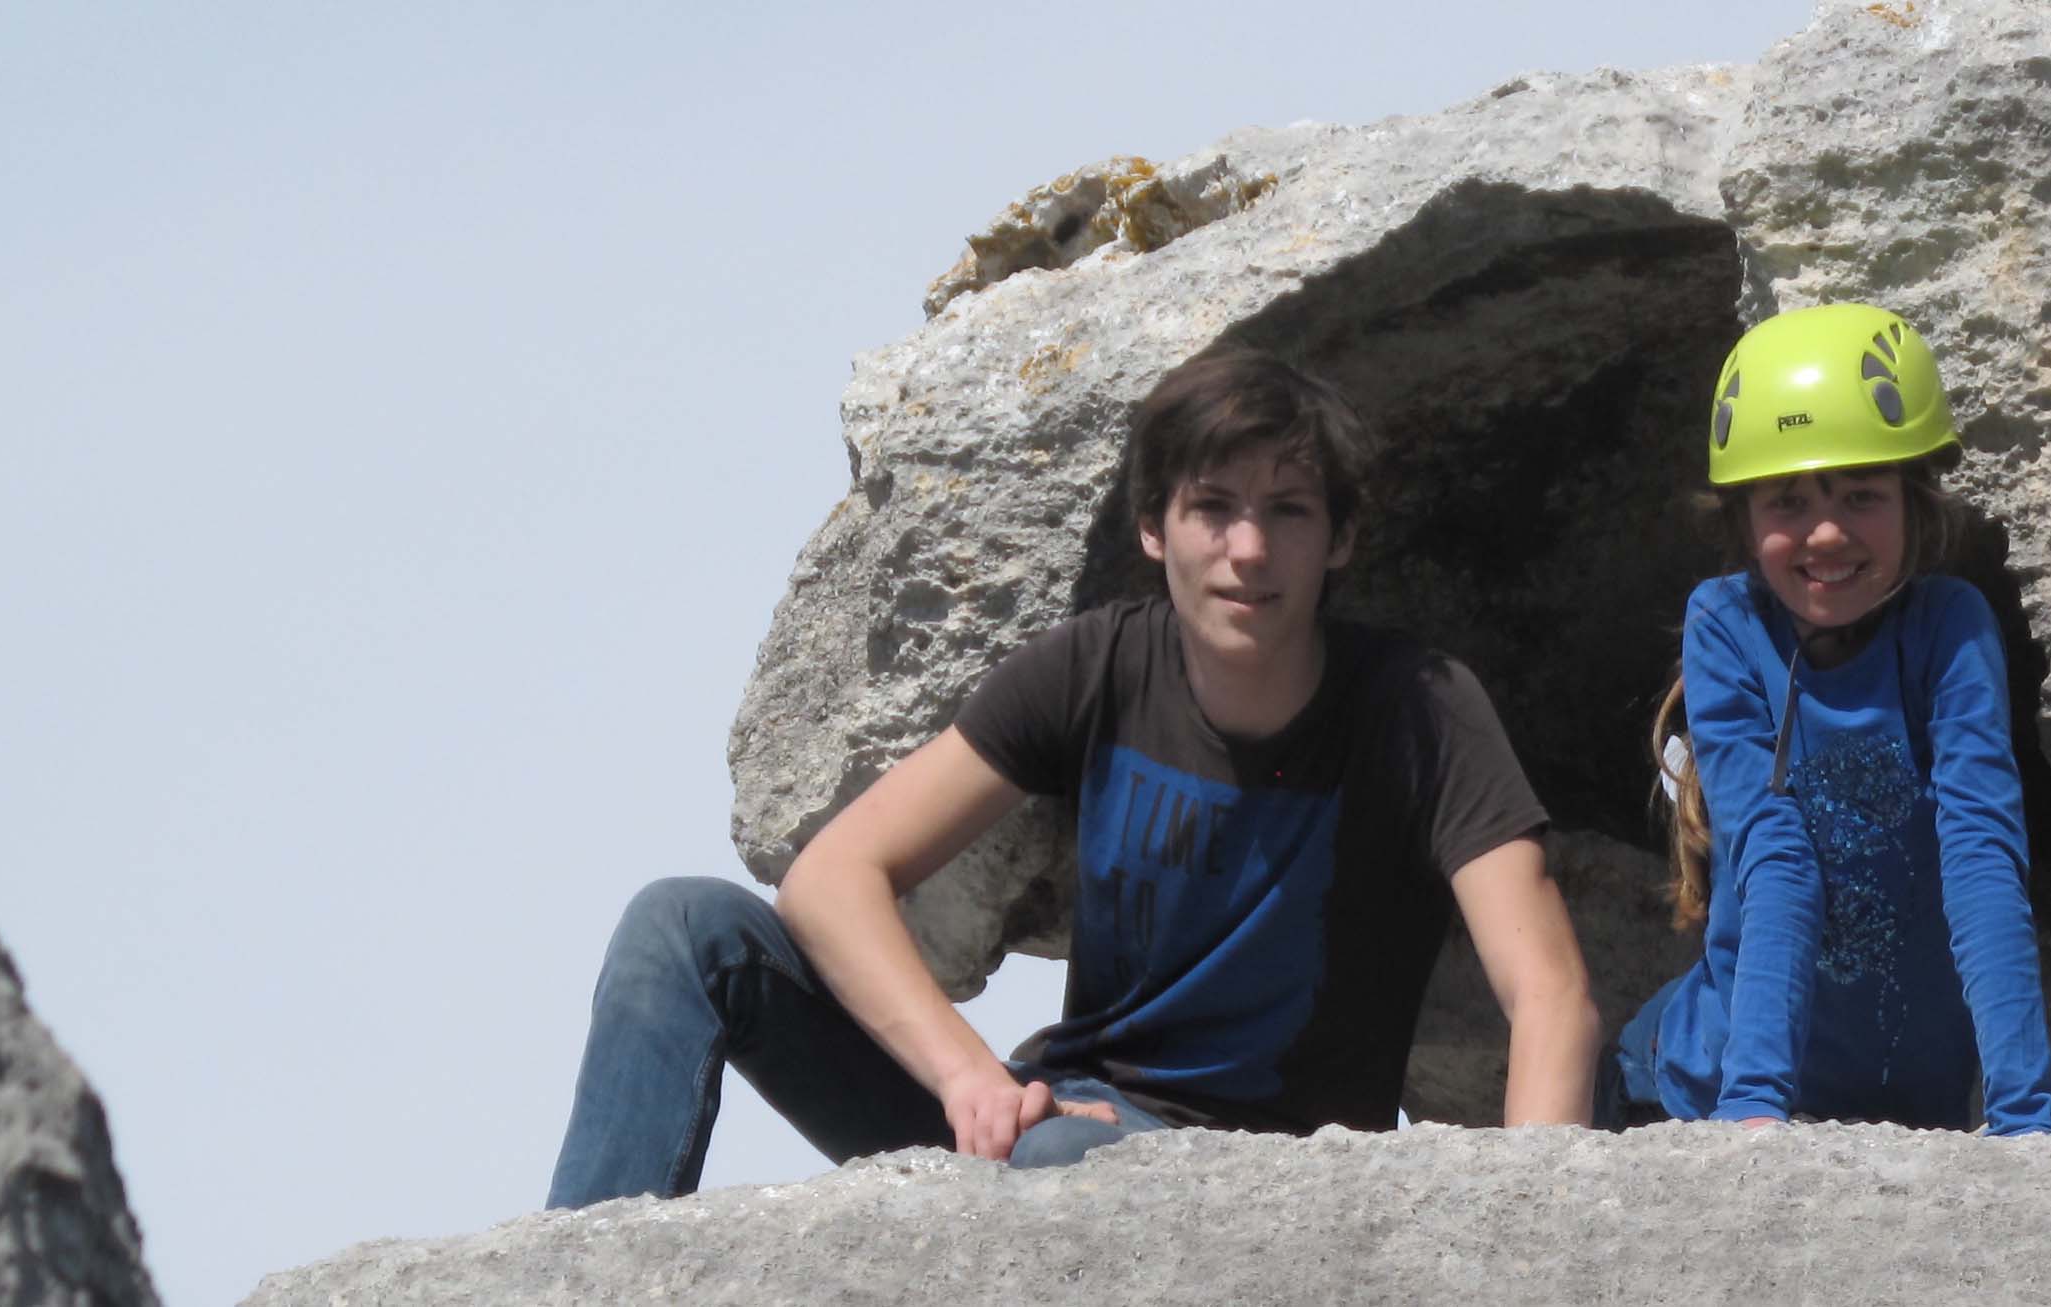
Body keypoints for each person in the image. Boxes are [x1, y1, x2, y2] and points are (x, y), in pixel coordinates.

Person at [545, 347, 1599, 1207]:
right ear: (1154, 529)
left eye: (1287, 510)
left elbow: (1547, 989)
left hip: (1268, 1183)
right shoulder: (1095, 666)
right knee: (679, 928)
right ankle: (576, 1275)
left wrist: (1523, 1224)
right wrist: (972, 1077)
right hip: (1050, 1118)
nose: (1247, 548)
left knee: (1047, 1177)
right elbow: (831, 876)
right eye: (1211, 507)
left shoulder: (1418, 706)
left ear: (1339, 538)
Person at [1602, 303, 2051, 1135]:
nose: (1825, 531)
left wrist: (2024, 1110)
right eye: (1786, 501)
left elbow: (1981, 853)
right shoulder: (1726, 624)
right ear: (1741, 519)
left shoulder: (1946, 628)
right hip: (1701, 1085)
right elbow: (1774, 857)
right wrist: (1754, 1109)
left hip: (1905, 1102)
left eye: (1861, 494)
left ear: (1916, 504)